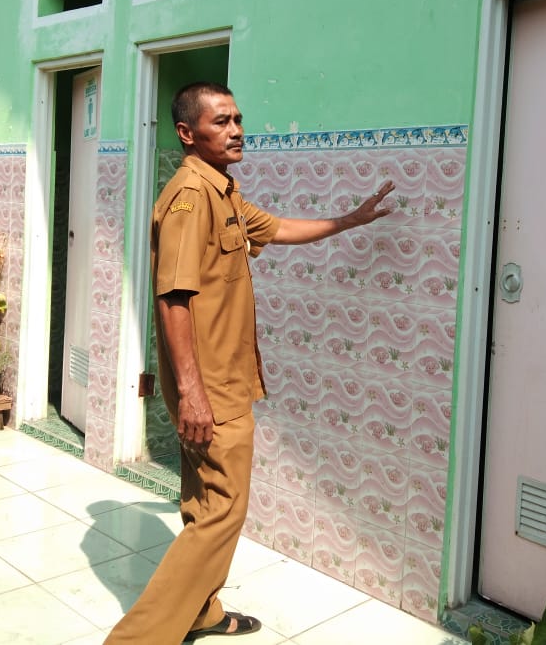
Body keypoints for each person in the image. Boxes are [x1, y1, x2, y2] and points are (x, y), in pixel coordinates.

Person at [103, 82, 394, 644]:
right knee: (220, 517)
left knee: (202, 503)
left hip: (220, 381)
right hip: (211, 390)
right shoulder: (190, 197)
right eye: (220, 122)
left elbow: (279, 229)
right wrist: (191, 394)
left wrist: (349, 221)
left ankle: (203, 612)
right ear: (188, 134)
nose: (235, 129)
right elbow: (174, 298)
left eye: (237, 118)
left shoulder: (224, 192)